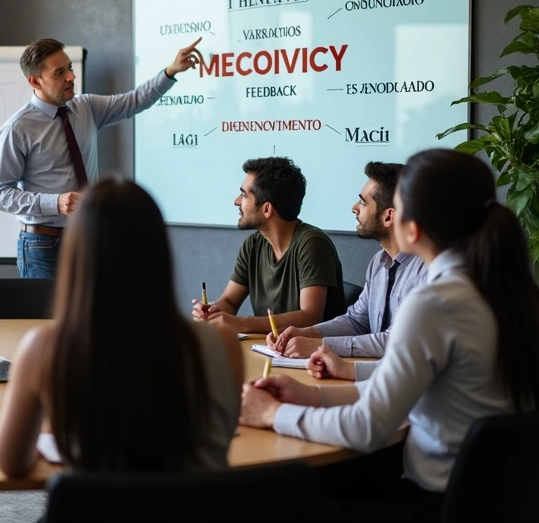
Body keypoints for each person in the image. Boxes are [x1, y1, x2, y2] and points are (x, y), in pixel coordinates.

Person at [240, 149, 539, 520]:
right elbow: (415, 383)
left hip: (432, 499)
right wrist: (311, 395)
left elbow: (367, 427)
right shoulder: (501, 286)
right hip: (492, 497)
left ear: (409, 226)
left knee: (282, 494)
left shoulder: (435, 302)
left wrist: (274, 414)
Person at [0, 176, 242, 477]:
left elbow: (12, 463)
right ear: (159, 252)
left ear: (76, 256)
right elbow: (217, 442)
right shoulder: (223, 343)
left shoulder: (43, 348)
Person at [0, 37, 203, 279]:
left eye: (69, 67)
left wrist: (170, 71)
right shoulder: (17, 129)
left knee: (90, 315)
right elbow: (0, 194)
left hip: (87, 238)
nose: (71, 77)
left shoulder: (86, 107)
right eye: (59, 72)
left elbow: (134, 101)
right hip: (43, 245)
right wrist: (55, 202)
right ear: (34, 81)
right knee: (45, 318)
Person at [269, 162, 426, 362]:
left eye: (363, 202)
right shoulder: (378, 262)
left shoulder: (426, 270)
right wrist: (305, 333)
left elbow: (398, 341)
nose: (354, 208)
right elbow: (356, 321)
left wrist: (320, 345)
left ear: (388, 216)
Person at [192, 157, 344, 332]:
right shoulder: (253, 244)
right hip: (271, 350)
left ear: (266, 209)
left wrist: (241, 323)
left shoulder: (312, 244)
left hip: (312, 355)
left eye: (244, 195)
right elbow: (229, 301)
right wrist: (211, 313)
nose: (237, 201)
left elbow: (310, 317)